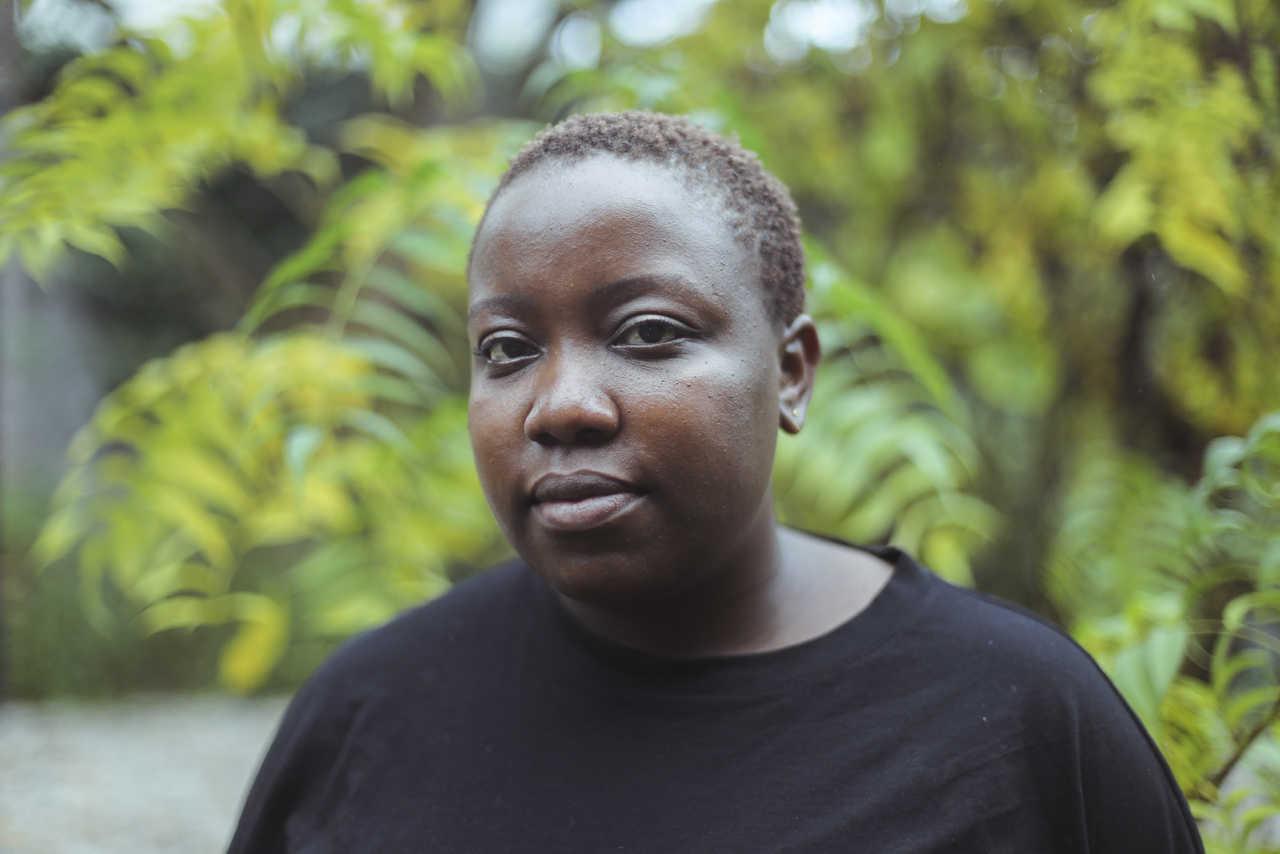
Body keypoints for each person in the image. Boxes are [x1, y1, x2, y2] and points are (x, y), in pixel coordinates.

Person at [229, 112, 1203, 852]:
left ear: (790, 372)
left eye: (647, 332)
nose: (560, 403)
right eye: (507, 347)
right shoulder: (368, 715)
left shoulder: (1014, 721)